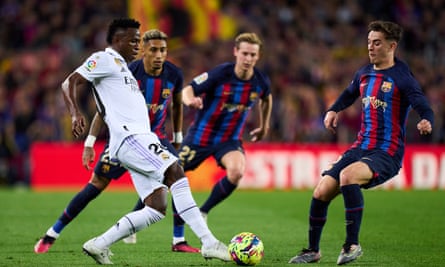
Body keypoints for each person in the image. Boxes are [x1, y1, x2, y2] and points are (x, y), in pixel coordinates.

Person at [58, 18, 230, 264]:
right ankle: (209, 243)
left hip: (138, 139)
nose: (138, 45)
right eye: (134, 40)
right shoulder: (105, 59)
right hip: (131, 138)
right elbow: (70, 81)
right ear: (118, 40)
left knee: (156, 207)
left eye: (140, 40)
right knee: (176, 172)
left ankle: (98, 244)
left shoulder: (123, 67)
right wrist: (75, 113)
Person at [34, 28, 200, 254]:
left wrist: (178, 136)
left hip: (156, 138)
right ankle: (52, 233)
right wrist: (90, 143)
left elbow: (177, 105)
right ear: (143, 50)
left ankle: (178, 240)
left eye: (163, 50)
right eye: (154, 50)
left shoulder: (174, 74)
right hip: (124, 139)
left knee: (176, 177)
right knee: (97, 184)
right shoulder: (128, 72)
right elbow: (104, 109)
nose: (159, 55)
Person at [288, 20, 434, 265]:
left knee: (348, 176)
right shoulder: (364, 73)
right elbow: (348, 94)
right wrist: (334, 110)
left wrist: (426, 119)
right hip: (361, 147)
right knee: (321, 191)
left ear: (392, 46)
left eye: (377, 43)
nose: (371, 47)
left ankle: (352, 245)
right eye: (369, 42)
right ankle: (312, 250)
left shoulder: (402, 76)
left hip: (387, 151)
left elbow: (421, 102)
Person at [176, 32, 273, 235]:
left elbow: (267, 98)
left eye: (252, 55)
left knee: (237, 172)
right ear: (235, 52)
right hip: (200, 137)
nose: (248, 59)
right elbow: (188, 89)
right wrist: (190, 100)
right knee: (169, 175)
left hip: (228, 140)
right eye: (244, 53)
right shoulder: (220, 74)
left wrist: (264, 126)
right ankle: (135, 219)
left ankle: (204, 211)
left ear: (258, 56)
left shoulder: (260, 80)